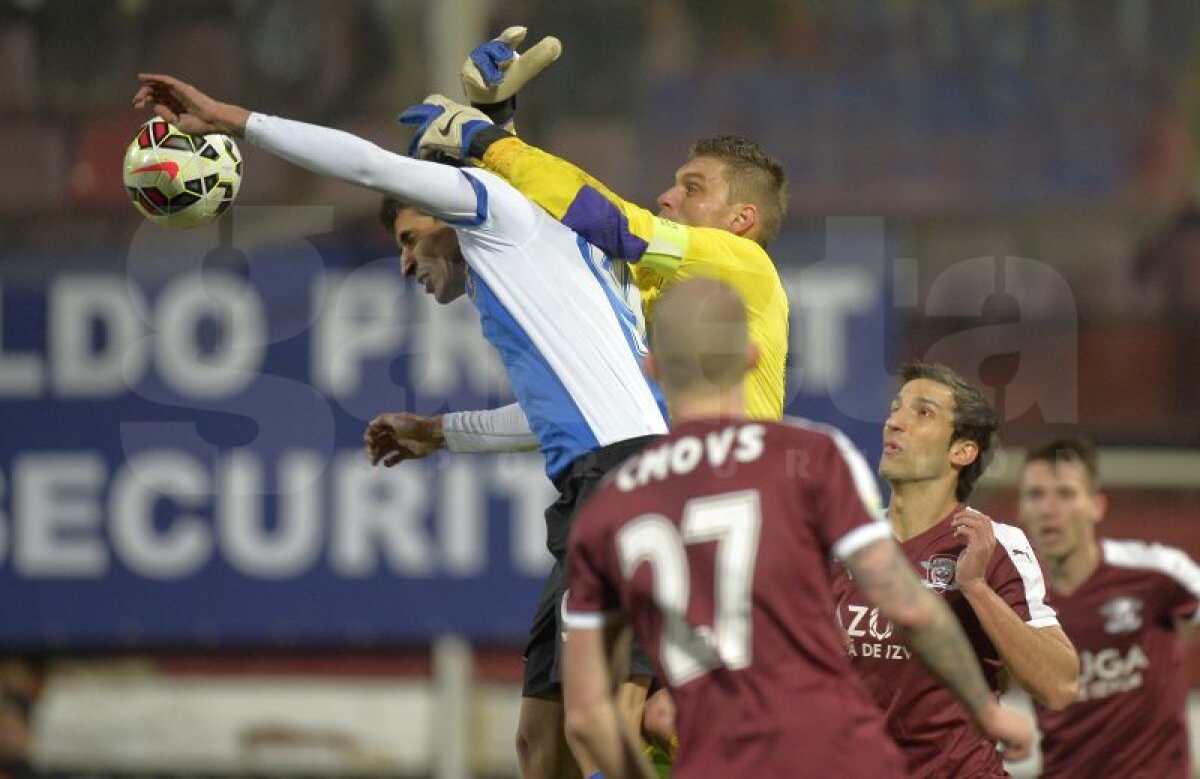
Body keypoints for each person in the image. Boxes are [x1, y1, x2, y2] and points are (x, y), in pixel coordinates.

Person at [132, 73, 668, 779]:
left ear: (444, 205)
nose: (407, 261)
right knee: (541, 743)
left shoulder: (497, 209)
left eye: (411, 237)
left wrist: (234, 120)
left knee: (607, 722)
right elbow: (559, 416)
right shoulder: (527, 279)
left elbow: (368, 164)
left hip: (626, 483)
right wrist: (443, 432)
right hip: (595, 484)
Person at [562, 279, 1033, 778]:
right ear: (749, 357)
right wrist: (988, 712)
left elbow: (588, 717)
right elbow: (907, 605)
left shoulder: (607, 509)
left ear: (652, 368)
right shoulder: (808, 456)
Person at [829, 362, 1079, 778]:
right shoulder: (845, 545)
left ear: (962, 451)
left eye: (922, 412)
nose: (894, 422)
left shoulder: (994, 543)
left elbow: (1060, 686)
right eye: (895, 409)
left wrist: (977, 587)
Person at [1019, 437, 1200, 778]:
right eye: (1036, 495)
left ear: (1096, 506)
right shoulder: (1013, 595)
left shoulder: (1154, 570)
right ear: (1022, 509)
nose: (1049, 508)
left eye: (1066, 494)